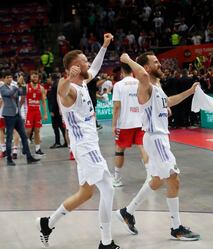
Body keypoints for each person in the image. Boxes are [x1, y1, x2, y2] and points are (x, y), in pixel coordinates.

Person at [36, 33, 121, 249]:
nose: (88, 63)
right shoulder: (70, 89)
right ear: (75, 65)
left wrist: (105, 45)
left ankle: (48, 223)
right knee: (108, 188)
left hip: (85, 145)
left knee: (86, 192)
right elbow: (61, 92)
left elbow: (95, 67)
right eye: (84, 60)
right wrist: (65, 78)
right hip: (85, 146)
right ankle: (106, 242)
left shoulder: (83, 82)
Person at [115, 52, 200, 241]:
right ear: (145, 68)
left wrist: (190, 92)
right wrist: (128, 60)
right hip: (155, 138)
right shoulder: (144, 84)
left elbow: (168, 102)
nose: (160, 64)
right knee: (173, 179)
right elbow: (143, 75)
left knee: (156, 180)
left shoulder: (156, 86)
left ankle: (127, 212)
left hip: (158, 138)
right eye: (155, 62)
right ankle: (176, 228)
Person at [111, 62, 149, 187]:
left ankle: (116, 179)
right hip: (141, 122)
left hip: (125, 124)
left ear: (122, 72)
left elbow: (116, 107)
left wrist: (113, 125)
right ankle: (150, 177)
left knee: (119, 150)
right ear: (133, 71)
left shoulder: (118, 85)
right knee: (143, 147)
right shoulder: (140, 82)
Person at [0, 71, 40, 166]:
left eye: (11, 77)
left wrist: (22, 84)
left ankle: (29, 157)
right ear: (4, 79)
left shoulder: (14, 87)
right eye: (8, 77)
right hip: (9, 115)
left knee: (24, 137)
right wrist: (18, 84)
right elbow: (10, 94)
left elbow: (23, 93)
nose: (10, 79)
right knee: (9, 138)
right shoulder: (2, 88)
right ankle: (9, 159)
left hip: (17, 115)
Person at [25, 70, 48, 155]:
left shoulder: (41, 88)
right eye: (33, 76)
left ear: (38, 78)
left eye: (36, 77)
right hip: (29, 112)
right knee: (28, 130)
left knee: (37, 131)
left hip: (37, 112)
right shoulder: (26, 87)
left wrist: (45, 113)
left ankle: (38, 149)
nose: (35, 78)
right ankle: (26, 145)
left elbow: (44, 102)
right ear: (30, 77)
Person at [47, 74, 67, 148]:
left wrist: (52, 110)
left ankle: (58, 142)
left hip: (56, 110)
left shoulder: (54, 87)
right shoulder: (57, 85)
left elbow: (54, 100)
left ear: (51, 78)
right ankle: (66, 141)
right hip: (60, 109)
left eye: (48, 78)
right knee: (61, 126)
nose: (47, 80)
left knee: (55, 126)